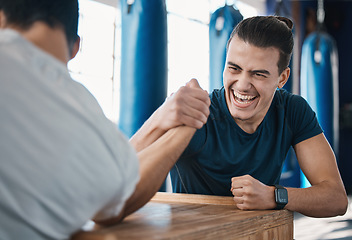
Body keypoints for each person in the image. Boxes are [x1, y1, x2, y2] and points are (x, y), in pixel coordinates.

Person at [0, 0, 211, 239]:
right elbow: (115, 202)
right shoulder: (74, 102)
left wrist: (159, 118)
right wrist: (189, 124)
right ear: (75, 47)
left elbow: (116, 172)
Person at [133, 16, 348, 218]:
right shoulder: (200, 114)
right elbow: (115, 174)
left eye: (258, 74)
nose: (243, 85)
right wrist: (160, 116)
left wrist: (273, 195)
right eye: (234, 69)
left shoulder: (292, 110)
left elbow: (336, 198)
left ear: (282, 78)